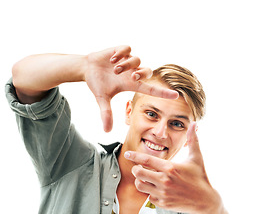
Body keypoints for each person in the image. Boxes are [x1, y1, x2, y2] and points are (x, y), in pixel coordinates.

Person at [6, 45, 228, 214]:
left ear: (190, 137)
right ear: (129, 111)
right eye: (151, 114)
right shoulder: (71, 163)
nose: (161, 133)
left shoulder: (192, 206)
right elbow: (23, 78)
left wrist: (214, 207)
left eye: (177, 124)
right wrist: (82, 67)